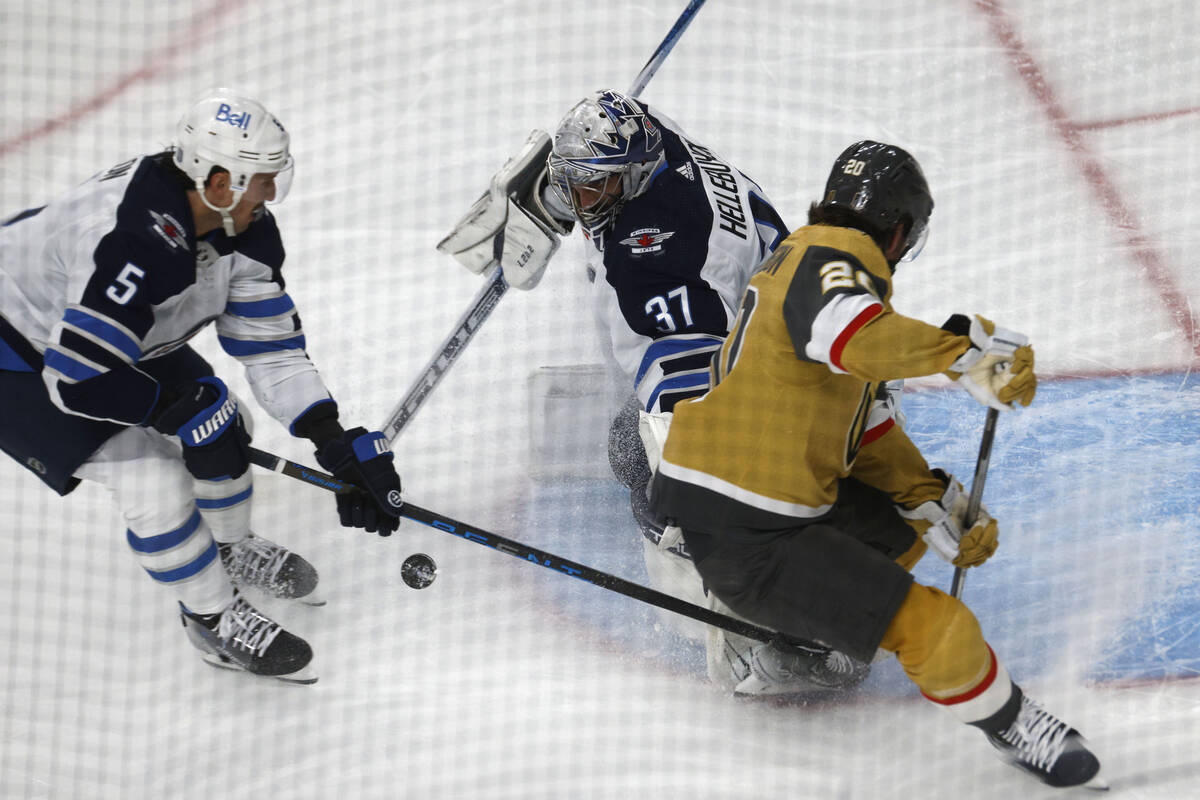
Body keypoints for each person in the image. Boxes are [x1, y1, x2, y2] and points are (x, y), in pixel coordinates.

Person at [646, 139, 1104, 788]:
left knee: (899, 521)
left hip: (733, 508)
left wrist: (930, 496)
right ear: (899, 232)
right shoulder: (837, 266)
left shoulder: (800, 257)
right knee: (936, 626)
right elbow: (855, 339)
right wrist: (963, 353)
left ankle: (810, 623)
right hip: (752, 538)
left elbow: (859, 418)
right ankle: (1014, 726)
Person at [440, 89, 913, 695]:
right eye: (572, 185)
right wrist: (540, 189)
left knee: (645, 463)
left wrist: (692, 502)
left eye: (592, 190)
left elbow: (685, 389)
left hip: (804, 391)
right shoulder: (656, 140)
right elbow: (624, 115)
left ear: (634, 175)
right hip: (820, 342)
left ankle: (815, 633)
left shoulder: (658, 258)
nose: (581, 204)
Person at [0, 89, 403, 684]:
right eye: (262, 180)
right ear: (220, 183)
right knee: (155, 481)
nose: (271, 194)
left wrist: (330, 438)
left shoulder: (241, 228)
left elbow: (271, 350)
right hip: (19, 353)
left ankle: (229, 547)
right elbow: (79, 380)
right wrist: (169, 409)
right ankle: (212, 620)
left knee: (226, 423)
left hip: (103, 333)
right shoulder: (131, 241)